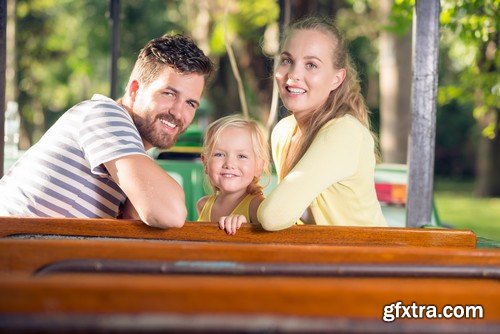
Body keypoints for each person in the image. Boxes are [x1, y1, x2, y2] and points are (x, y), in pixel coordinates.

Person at [0, 34, 215, 228]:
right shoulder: (105, 115)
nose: (178, 112)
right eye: (169, 93)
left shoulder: (130, 148)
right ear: (134, 90)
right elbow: (170, 213)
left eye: (191, 103)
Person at [258, 16, 387, 230]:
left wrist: (251, 207)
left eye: (311, 65)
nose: (294, 74)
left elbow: (273, 216)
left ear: (337, 79)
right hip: (325, 258)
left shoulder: (345, 132)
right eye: (287, 60)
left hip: (369, 260)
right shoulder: (283, 132)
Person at [197, 115, 270, 235]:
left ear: (259, 167)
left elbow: (272, 239)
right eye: (219, 154)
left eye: (242, 156)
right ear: (205, 163)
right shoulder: (203, 205)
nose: (229, 164)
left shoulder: (257, 207)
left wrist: (247, 225)